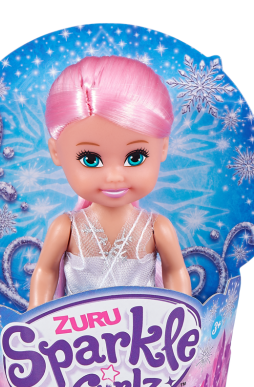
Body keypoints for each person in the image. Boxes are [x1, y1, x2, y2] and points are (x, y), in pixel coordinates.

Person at [28, 56, 191, 310]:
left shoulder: (156, 228)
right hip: (79, 333)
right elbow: (46, 272)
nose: (114, 176)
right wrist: (36, 318)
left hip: (144, 331)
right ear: (56, 152)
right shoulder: (67, 228)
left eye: (135, 158)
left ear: (162, 149)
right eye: (90, 159)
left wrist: (183, 316)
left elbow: (175, 273)